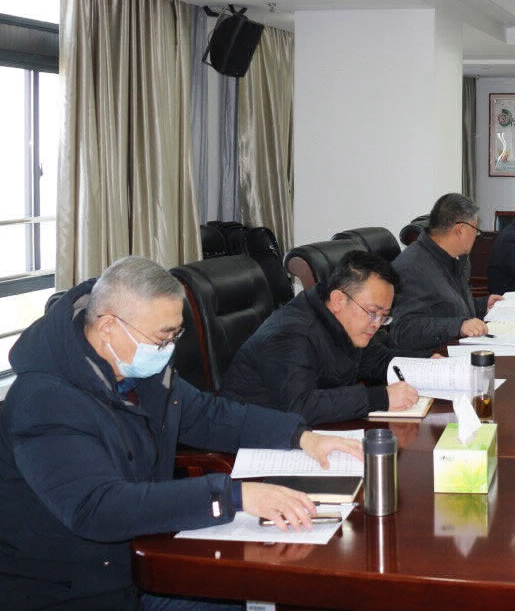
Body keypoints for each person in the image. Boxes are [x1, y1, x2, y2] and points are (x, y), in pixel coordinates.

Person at [0, 256, 361, 611]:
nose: (168, 349)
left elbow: (207, 414)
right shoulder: (44, 402)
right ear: (108, 326)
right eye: (162, 337)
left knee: (270, 590)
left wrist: (300, 436)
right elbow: (98, 508)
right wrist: (233, 496)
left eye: (175, 334)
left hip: (142, 561)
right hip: (72, 590)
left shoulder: (136, 367)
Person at [220, 251, 419, 426]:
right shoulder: (291, 334)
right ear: (338, 300)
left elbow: (380, 360)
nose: (377, 324)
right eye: (373, 313)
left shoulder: (343, 322)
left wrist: (429, 364)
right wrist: (380, 398)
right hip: (250, 441)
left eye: (383, 316)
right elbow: (300, 406)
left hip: (301, 433)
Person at [390, 193, 502, 351]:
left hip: (457, 347)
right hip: (434, 357)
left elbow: (445, 306)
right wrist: (459, 326)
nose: (476, 236)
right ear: (460, 230)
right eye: (475, 230)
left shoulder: (455, 258)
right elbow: (403, 330)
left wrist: (482, 305)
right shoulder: (411, 268)